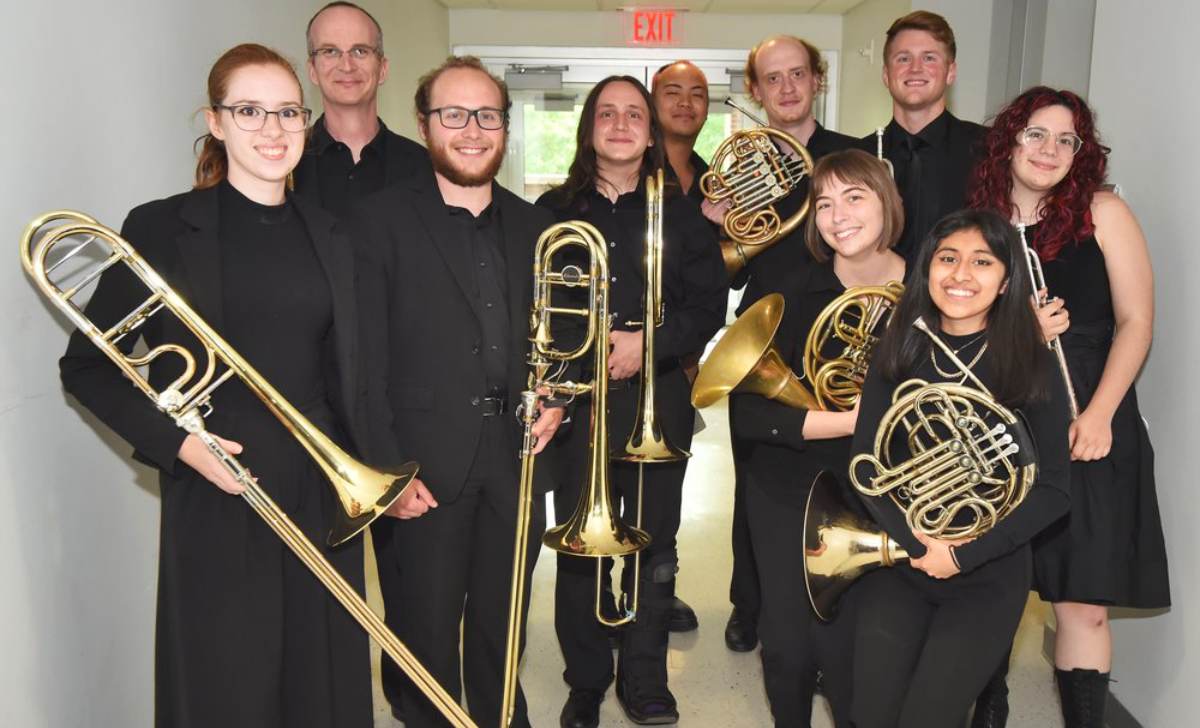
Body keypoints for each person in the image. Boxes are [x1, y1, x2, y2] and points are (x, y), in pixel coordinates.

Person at [59, 44, 380, 727]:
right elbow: (85, 367)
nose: (272, 129)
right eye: (249, 111)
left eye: (287, 111)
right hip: (216, 486)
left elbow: (351, 370)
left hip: (321, 490)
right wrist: (181, 447)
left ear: (307, 118)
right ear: (215, 121)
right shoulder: (163, 225)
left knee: (320, 689)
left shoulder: (331, 232)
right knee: (227, 688)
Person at [351, 56, 565, 728]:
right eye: (453, 115)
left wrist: (560, 400)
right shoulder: (374, 222)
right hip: (422, 463)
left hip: (517, 460)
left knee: (505, 626)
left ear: (505, 126)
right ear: (424, 125)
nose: (472, 130)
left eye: (487, 115)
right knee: (425, 632)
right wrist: (385, 470)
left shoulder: (535, 227)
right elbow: (360, 362)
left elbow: (560, 343)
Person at [968, 86, 1169, 727]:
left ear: (1081, 153)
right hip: (1005, 423)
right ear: (1008, 140)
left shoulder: (1103, 212)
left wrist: (1103, 414)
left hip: (1092, 418)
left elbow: (1137, 322)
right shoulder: (976, 226)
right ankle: (986, 709)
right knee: (992, 593)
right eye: (1036, 133)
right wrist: (1017, 332)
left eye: (1067, 139)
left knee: (1082, 604)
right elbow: (948, 332)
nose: (1050, 149)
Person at [537, 76, 727, 727]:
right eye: (608, 113)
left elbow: (708, 308)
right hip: (579, 406)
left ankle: (644, 676)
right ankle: (586, 679)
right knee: (580, 546)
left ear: (650, 132)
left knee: (656, 546)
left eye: (635, 115)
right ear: (590, 127)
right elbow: (538, 309)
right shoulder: (552, 210)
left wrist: (648, 346)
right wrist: (591, 352)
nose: (621, 124)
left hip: (659, 403)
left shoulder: (682, 213)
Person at [847, 209, 1072, 728]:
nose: (961, 275)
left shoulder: (1031, 360)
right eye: (947, 259)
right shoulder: (900, 348)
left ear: (1006, 280)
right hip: (903, 558)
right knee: (869, 712)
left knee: (930, 717)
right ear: (926, 268)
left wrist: (963, 555)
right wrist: (922, 545)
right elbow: (866, 467)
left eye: (982, 262)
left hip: (988, 571)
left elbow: (1055, 491)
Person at [729, 148, 906, 727]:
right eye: (824, 203)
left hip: (888, 485)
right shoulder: (787, 288)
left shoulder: (933, 288)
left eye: (854, 197)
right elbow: (748, 411)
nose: (838, 215)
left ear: (887, 201)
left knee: (867, 643)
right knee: (788, 640)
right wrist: (851, 419)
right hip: (791, 477)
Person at [708, 33, 858, 655]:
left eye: (799, 74)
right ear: (755, 90)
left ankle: (832, 601)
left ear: (818, 79)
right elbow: (723, 270)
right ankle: (753, 603)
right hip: (765, 337)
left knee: (836, 477)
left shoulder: (851, 159)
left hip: (841, 329)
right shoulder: (737, 166)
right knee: (756, 479)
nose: (788, 88)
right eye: (774, 78)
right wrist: (716, 226)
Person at [864, 11, 985, 264]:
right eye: (903, 58)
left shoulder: (989, 149)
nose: (915, 68)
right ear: (886, 75)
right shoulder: (860, 157)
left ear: (951, 72)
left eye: (929, 58)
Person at [294, 1, 428, 218]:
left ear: (382, 69)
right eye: (330, 51)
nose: (346, 65)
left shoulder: (423, 167)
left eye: (360, 51)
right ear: (312, 70)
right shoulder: (287, 165)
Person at [652, 60, 711, 203]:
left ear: (707, 109)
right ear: (651, 103)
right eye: (673, 92)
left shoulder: (712, 183)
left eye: (697, 95)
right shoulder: (629, 173)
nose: (685, 102)